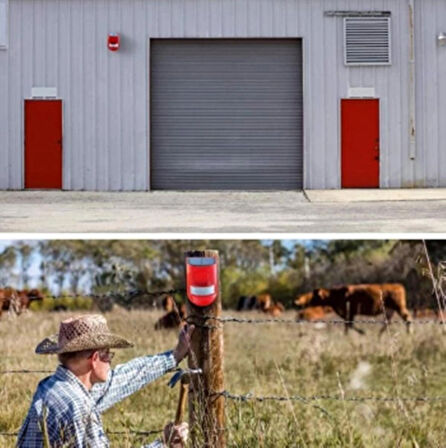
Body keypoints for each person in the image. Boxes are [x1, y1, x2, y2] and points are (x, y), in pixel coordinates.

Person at [17, 314, 194, 447]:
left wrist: (174, 355)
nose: (111, 360)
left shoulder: (49, 387)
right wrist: (163, 443)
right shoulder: (80, 408)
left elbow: (122, 379)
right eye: (108, 354)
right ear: (95, 359)